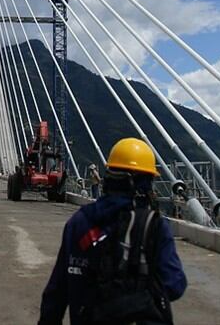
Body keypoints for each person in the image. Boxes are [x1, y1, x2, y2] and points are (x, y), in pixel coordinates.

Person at [39, 138, 187, 325]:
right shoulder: (154, 226)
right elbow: (175, 284)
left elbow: (57, 291)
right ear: (140, 184)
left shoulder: (79, 222)